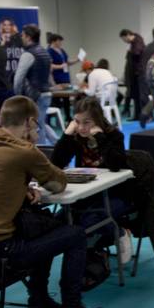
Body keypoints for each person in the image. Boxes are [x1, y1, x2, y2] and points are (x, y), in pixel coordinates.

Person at [0, 95, 107, 308]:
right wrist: (33, 146)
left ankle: (38, 305)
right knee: (75, 235)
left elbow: (0, 176)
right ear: (29, 123)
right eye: (36, 124)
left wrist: (21, 186)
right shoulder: (25, 150)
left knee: (44, 230)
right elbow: (58, 184)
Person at [51, 96, 130, 248]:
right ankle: (89, 249)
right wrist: (66, 135)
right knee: (58, 222)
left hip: (114, 194)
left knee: (89, 220)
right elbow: (56, 164)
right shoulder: (77, 137)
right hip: (87, 194)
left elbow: (116, 165)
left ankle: (120, 233)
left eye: (86, 122)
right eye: (77, 122)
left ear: (98, 121)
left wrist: (100, 138)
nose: (81, 128)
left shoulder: (114, 136)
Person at [12, 24, 57, 146]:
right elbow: (48, 75)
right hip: (46, 94)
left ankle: (42, 154)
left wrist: (17, 97)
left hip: (35, 96)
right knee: (40, 123)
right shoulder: (45, 53)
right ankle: (58, 144)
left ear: (28, 37)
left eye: (22, 35)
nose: (21, 37)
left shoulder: (28, 54)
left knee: (36, 128)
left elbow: (18, 78)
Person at [118, 29, 150, 123]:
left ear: (127, 35)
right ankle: (137, 115)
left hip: (140, 73)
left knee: (142, 96)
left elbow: (137, 52)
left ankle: (147, 116)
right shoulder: (134, 43)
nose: (124, 41)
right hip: (135, 74)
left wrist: (129, 52)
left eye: (124, 39)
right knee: (136, 97)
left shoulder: (137, 41)